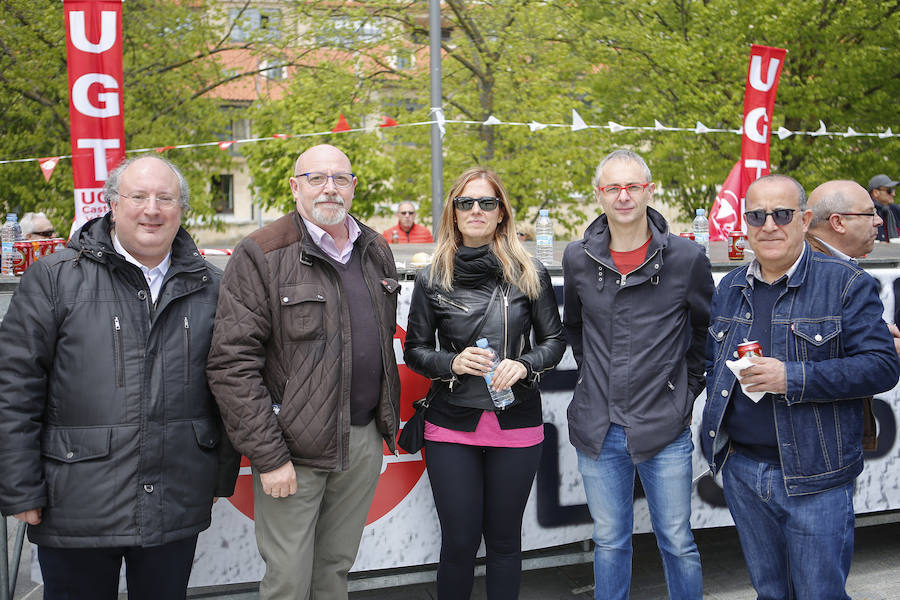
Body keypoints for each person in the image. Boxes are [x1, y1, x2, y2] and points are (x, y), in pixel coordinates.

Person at [0, 155, 240, 600]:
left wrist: (218, 478)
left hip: (175, 496)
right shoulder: (54, 279)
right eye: (138, 196)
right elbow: (14, 388)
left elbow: (229, 387)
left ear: (180, 209)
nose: (152, 209)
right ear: (112, 203)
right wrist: (19, 487)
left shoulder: (213, 286)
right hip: (74, 501)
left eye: (165, 198)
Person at [206, 144, 400, 600]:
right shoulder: (262, 252)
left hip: (362, 441)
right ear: (295, 187)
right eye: (316, 178)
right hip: (293, 449)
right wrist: (269, 456)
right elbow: (232, 364)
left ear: (354, 187)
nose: (329, 187)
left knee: (334, 571)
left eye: (340, 178)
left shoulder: (375, 249)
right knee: (289, 582)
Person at [702, 174, 900, 600]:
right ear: (745, 223)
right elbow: (712, 363)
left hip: (817, 477)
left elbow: (882, 367)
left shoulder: (845, 283)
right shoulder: (730, 288)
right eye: (757, 215)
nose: (769, 224)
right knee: (771, 593)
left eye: (782, 214)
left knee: (819, 593)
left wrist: (790, 377)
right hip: (743, 471)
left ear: (806, 219)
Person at [404, 167, 565, 600]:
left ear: (501, 214)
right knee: (458, 544)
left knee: (505, 543)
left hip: (517, 422)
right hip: (451, 425)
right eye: (465, 203)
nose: (476, 210)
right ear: (453, 214)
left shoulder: (529, 271)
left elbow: (554, 340)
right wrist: (452, 362)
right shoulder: (431, 276)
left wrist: (526, 365)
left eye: (487, 203)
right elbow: (415, 351)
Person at [562, 149, 712, 600]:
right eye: (613, 188)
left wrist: (681, 397)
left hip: (663, 427)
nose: (623, 196)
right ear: (599, 195)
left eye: (633, 187)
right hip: (597, 426)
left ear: (649, 190)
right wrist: (596, 382)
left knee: (677, 540)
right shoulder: (577, 257)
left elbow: (706, 335)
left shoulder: (686, 258)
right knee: (609, 541)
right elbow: (575, 328)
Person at [807, 179, 891, 451]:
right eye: (870, 213)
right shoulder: (822, 273)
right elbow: (797, 353)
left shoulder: (826, 268)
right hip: (820, 446)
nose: (878, 221)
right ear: (838, 222)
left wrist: (872, 335)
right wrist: (881, 349)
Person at [868, 174, 899, 241]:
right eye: (889, 191)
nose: (893, 194)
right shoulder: (866, 211)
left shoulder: (895, 210)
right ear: (876, 192)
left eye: (893, 190)